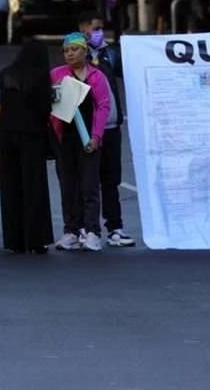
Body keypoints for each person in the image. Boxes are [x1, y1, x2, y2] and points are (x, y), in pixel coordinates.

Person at [50, 33, 112, 252]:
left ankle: (93, 231)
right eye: (66, 51)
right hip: (64, 138)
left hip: (87, 140)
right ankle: (71, 231)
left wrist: (96, 137)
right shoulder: (56, 75)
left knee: (89, 186)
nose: (69, 54)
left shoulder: (96, 76)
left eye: (74, 50)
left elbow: (104, 107)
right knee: (68, 186)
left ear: (85, 51)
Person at [78, 13, 136, 247]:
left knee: (111, 180)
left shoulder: (110, 54)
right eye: (95, 28)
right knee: (87, 180)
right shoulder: (75, 58)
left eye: (102, 28)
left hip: (112, 127)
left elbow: (131, 73)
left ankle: (115, 227)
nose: (100, 32)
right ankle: (85, 227)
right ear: (83, 29)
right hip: (89, 130)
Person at [0, 41, 54, 254]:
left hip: (6, 133)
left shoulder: (5, 74)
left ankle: (15, 239)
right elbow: (44, 108)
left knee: (11, 187)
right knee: (34, 186)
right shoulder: (39, 77)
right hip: (31, 134)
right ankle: (36, 238)